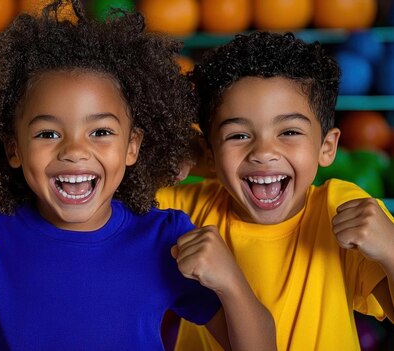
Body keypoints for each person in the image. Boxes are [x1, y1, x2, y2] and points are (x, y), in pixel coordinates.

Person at [0, 1, 276, 350]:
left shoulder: (164, 238)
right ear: (14, 148)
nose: (74, 151)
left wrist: (232, 284)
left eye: (100, 132)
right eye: (48, 133)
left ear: (132, 146)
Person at [156, 31, 394, 351]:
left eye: (289, 131)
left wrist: (391, 248)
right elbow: (97, 194)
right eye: (238, 136)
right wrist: (190, 158)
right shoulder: (182, 212)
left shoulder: (339, 208)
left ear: (327, 147)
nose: (263, 152)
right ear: (210, 151)